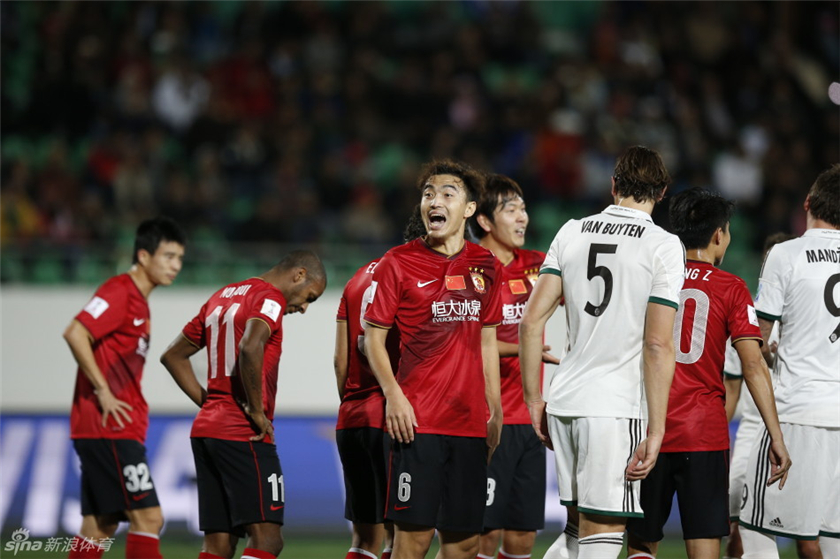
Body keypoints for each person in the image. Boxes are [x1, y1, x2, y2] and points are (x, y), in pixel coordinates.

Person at [519, 146, 684, 559]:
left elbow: (529, 323)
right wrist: (657, 429)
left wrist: (534, 399)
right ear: (661, 192)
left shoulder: (572, 231)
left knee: (577, 530)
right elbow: (657, 343)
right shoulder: (663, 245)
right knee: (602, 532)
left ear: (613, 186)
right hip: (614, 408)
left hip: (566, 400)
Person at [625, 188, 792, 559]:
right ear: (719, 235)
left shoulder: (648, 278)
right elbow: (753, 365)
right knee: (703, 546)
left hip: (647, 427)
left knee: (640, 543)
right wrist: (776, 436)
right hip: (703, 434)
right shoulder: (731, 288)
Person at [363, 159, 504, 559]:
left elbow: (488, 339)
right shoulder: (397, 262)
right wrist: (394, 395)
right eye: (428, 194)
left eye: (447, 193)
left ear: (470, 209)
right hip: (417, 422)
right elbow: (372, 340)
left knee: (463, 544)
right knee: (413, 541)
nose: (434, 201)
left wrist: (493, 406)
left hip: (469, 424)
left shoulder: (486, 265)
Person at [160, 251, 327, 559]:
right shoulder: (270, 298)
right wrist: (256, 411)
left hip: (207, 430)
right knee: (267, 540)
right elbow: (250, 347)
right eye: (310, 298)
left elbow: (172, 356)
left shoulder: (221, 296)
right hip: (242, 433)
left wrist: (209, 402)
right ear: (299, 275)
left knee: (218, 545)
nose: (304, 308)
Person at [63, 216, 186, 559]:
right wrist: (102, 390)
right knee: (149, 517)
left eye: (180, 259)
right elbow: (76, 332)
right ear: (144, 256)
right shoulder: (120, 291)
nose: (176, 266)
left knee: (99, 526)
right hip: (110, 427)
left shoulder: (140, 302)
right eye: (169, 256)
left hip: (108, 428)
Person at [739, 165, 840, 559]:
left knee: (756, 527)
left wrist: (770, 351)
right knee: (832, 531)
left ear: (808, 204)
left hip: (799, 412)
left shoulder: (786, 253)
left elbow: (758, 339)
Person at [471, 173, 558, 559]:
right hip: (488, 417)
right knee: (483, 535)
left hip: (530, 420)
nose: (522, 217)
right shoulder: (470, 268)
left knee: (523, 536)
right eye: (511, 209)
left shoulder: (538, 266)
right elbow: (465, 340)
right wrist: (524, 350)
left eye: (523, 207)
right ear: (486, 221)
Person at [722, 233, 821, 559]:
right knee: (737, 528)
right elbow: (732, 389)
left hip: (798, 422)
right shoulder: (745, 315)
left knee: (809, 538)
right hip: (753, 431)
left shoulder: (809, 316)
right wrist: (718, 442)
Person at [334, 218, 426, 559]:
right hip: (392, 416)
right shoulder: (413, 275)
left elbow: (339, 359)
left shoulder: (356, 279)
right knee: (402, 536)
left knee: (362, 539)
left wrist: (349, 402)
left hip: (352, 416)